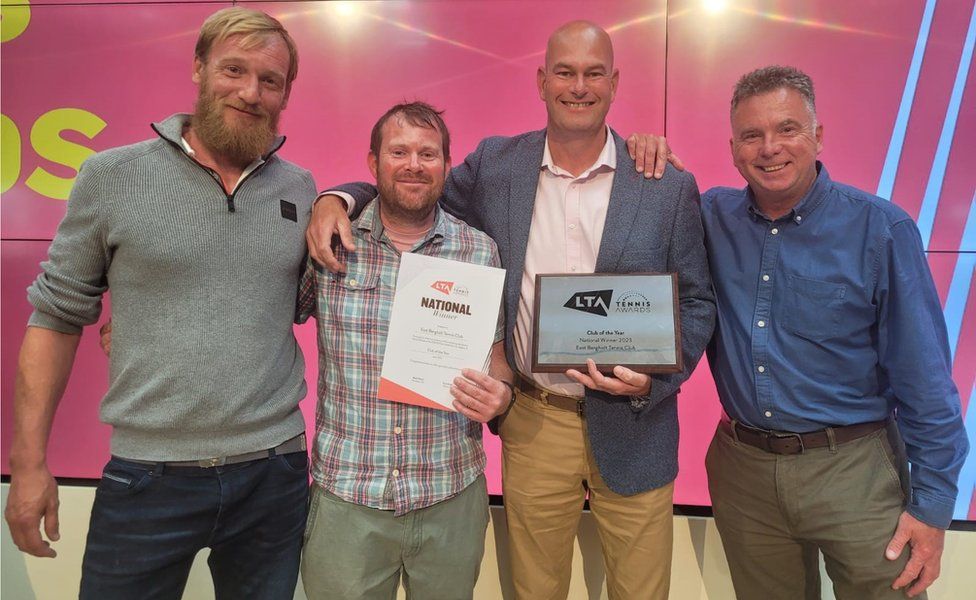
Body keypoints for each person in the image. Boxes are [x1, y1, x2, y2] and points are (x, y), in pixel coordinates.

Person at [307, 21, 716, 600]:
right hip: (534, 420)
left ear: (615, 82)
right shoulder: (497, 166)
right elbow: (412, 182)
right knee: (533, 590)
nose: (579, 86)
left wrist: (654, 378)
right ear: (541, 81)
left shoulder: (664, 183)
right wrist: (338, 196)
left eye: (593, 73)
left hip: (636, 424)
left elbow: (697, 301)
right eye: (565, 72)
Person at [4, 8, 315, 598]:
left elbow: (296, 301)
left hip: (273, 474)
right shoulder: (111, 176)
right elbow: (55, 320)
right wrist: (28, 464)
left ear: (284, 94)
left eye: (269, 80)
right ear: (199, 68)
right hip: (148, 478)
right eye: (233, 70)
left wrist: (343, 199)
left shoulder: (298, 187)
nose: (250, 92)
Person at [652, 65, 967, 599]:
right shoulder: (707, 216)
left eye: (788, 129)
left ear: (818, 136)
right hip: (744, 472)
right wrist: (639, 150)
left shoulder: (881, 229)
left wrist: (933, 507)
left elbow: (927, 381)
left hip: (857, 473)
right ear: (733, 149)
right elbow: (643, 205)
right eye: (752, 135)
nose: (769, 148)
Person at [296, 101, 513, 599]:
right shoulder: (328, 243)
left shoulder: (479, 250)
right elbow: (264, 315)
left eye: (428, 153)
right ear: (373, 164)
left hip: (450, 494)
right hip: (349, 497)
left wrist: (500, 394)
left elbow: (496, 354)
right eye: (399, 151)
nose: (414, 164)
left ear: (446, 165)